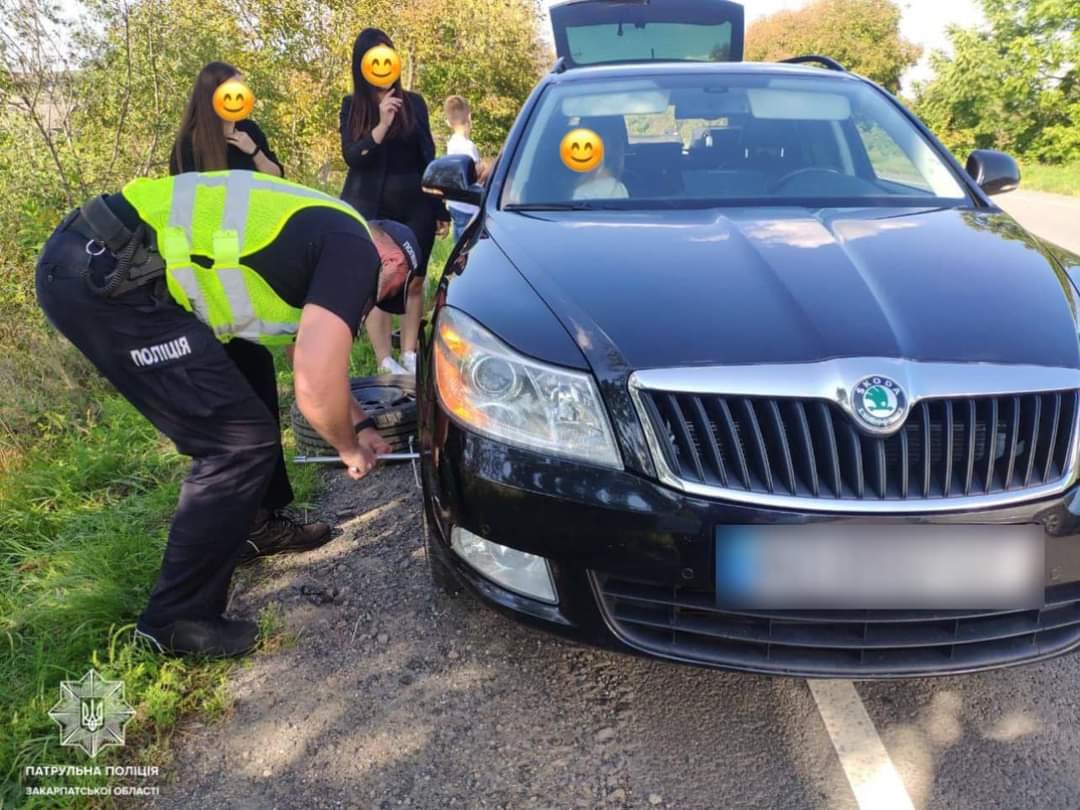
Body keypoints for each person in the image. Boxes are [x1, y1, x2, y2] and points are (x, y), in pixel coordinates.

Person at [35, 170, 422, 658]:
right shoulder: (356, 252)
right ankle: (176, 619)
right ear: (390, 257)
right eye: (389, 289)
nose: (375, 302)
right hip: (111, 275)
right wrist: (347, 448)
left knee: (249, 362)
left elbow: (305, 350)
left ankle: (254, 525)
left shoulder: (327, 236)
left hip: (109, 261)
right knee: (236, 443)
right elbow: (314, 378)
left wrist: (362, 424)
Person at [171, 61, 322, 558]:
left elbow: (280, 184)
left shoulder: (248, 133)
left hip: (255, 277)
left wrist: (251, 149)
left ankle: (269, 512)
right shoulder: (188, 147)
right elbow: (187, 216)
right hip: (215, 288)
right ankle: (253, 521)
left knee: (260, 390)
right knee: (242, 399)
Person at [339, 28, 449, 377]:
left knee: (414, 280)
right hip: (369, 207)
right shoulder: (352, 106)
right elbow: (354, 156)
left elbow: (428, 158)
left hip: (415, 204)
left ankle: (411, 353)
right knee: (380, 283)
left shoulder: (414, 102)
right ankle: (385, 358)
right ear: (361, 65)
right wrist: (382, 124)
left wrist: (439, 209)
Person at [169, 62, 283, 177]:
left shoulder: (250, 130)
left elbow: (277, 176)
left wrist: (254, 151)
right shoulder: (188, 142)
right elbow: (182, 190)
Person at [443, 95, 481, 241]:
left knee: (458, 246)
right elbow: (475, 175)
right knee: (468, 247)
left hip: (455, 205)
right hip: (469, 208)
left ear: (448, 122)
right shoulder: (468, 146)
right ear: (469, 116)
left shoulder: (451, 143)